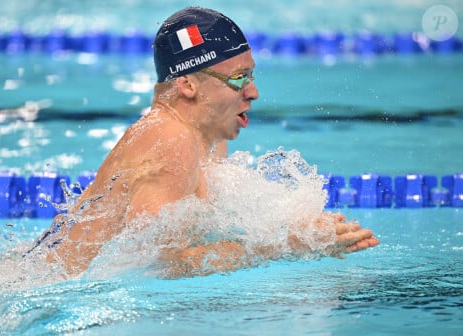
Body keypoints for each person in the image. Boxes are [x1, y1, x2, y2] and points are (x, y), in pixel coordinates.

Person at [34, 6, 379, 277]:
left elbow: (199, 234)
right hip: (45, 292)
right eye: (238, 79)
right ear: (187, 85)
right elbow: (162, 263)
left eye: (252, 75)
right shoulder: (170, 138)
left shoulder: (205, 137)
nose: (253, 92)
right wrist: (288, 244)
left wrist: (304, 228)